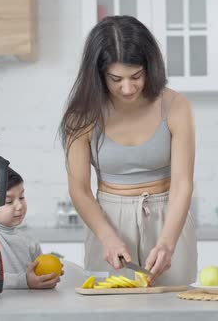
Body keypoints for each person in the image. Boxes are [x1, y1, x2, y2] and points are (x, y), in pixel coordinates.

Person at [58, 15, 197, 285]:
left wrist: (167, 244)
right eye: (116, 79)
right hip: (107, 222)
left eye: (136, 76)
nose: (128, 87)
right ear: (98, 75)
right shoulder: (81, 116)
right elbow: (80, 190)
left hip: (169, 219)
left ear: (149, 67)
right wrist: (108, 237)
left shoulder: (176, 106)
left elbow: (183, 184)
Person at [0, 166, 63, 289]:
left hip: (28, 306)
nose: (19, 206)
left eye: (21, 197)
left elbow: (36, 275)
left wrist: (46, 277)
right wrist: (24, 281)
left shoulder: (29, 240)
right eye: (9, 201)